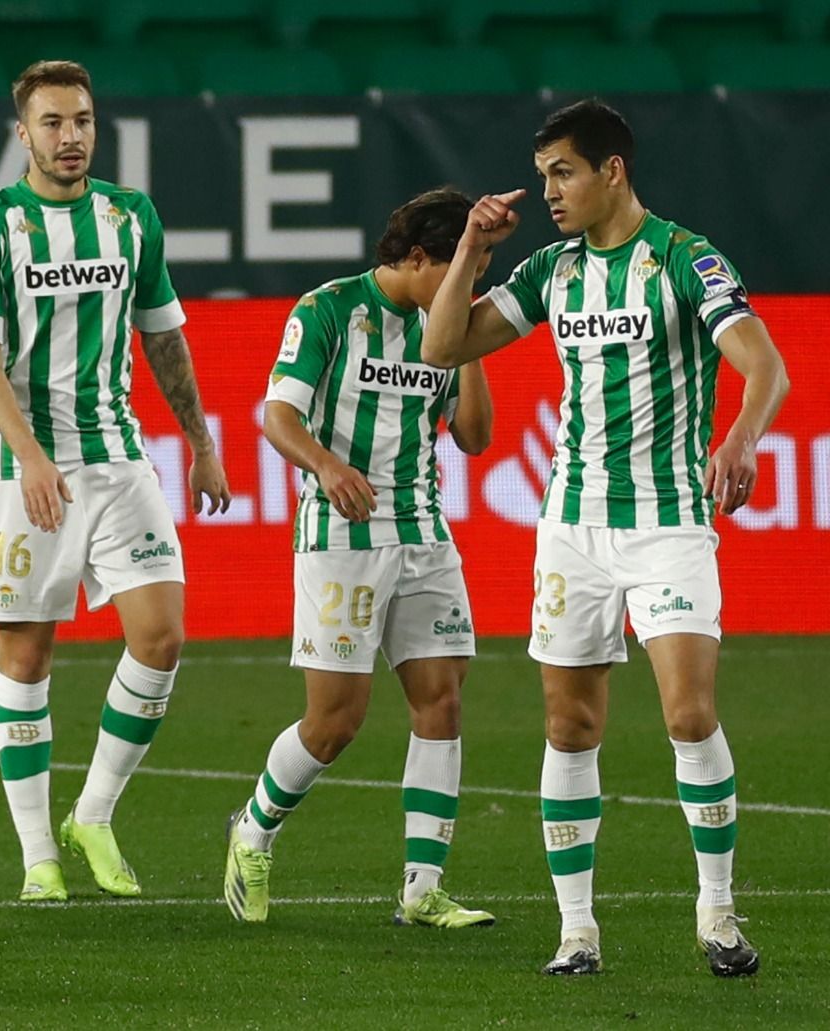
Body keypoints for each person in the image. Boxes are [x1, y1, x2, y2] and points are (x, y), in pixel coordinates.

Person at [421, 99, 789, 977]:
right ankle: (577, 932)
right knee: (569, 724)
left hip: (667, 522)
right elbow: (441, 345)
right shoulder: (553, 270)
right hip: (573, 528)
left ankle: (718, 915)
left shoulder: (682, 258)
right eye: (543, 173)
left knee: (689, 713)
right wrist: (474, 248)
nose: (549, 190)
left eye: (563, 172)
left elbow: (765, 363)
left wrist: (738, 438)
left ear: (611, 171)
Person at [0, 60, 233, 902]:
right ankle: (39, 852)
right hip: (22, 465)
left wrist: (201, 440)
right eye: (52, 122)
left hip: (116, 454)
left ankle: (95, 812)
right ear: (22, 133)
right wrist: (32, 454)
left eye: (82, 121)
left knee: (162, 633)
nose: (69, 136)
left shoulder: (130, 217)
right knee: (27, 652)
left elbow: (165, 339)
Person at [221, 189, 497, 929]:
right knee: (335, 722)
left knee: (441, 701)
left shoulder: (451, 324)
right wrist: (325, 466)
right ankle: (253, 826)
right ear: (414, 258)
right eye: (458, 266)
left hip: (425, 532)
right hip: (344, 537)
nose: (469, 282)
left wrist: (468, 340)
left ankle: (423, 886)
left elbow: (474, 437)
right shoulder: (330, 311)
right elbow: (277, 414)